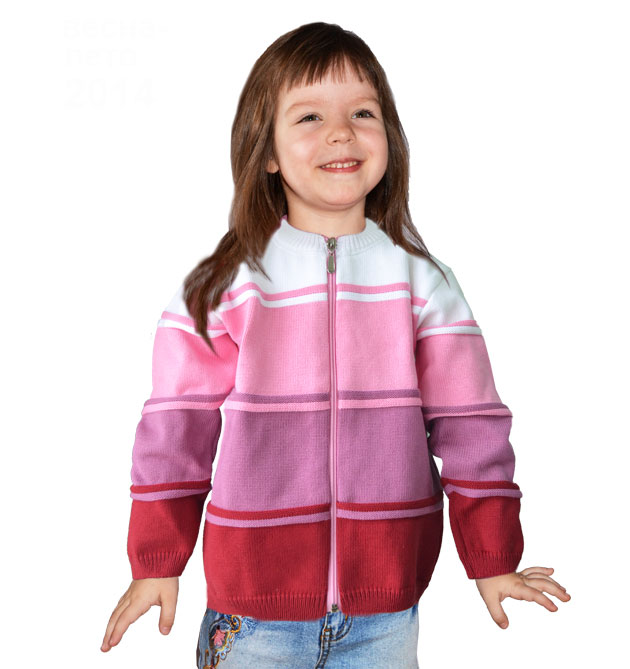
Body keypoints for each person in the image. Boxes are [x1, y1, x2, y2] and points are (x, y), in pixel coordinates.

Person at [101, 21, 570, 668]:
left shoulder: (423, 282)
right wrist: (157, 559)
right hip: (251, 616)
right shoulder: (228, 285)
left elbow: (472, 424)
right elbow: (174, 426)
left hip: (385, 617)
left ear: (389, 138)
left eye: (362, 113)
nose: (341, 132)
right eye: (310, 117)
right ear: (266, 151)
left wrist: (491, 557)